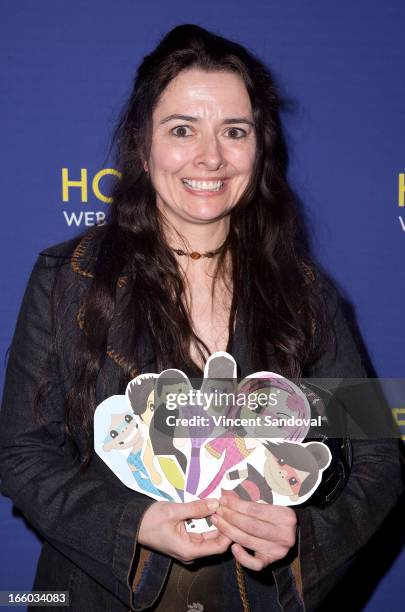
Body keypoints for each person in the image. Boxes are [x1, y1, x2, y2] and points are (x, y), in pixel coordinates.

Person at [0, 23, 402, 612]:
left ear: (258, 146)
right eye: (182, 129)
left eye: (234, 131)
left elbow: (378, 456)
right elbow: (21, 453)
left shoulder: (307, 292)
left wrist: (303, 538)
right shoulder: (71, 279)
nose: (210, 157)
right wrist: (130, 524)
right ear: (143, 144)